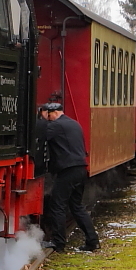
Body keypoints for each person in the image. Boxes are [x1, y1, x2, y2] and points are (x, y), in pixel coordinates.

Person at [39, 101, 98, 252]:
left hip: (68, 171)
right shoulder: (74, 124)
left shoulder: (56, 125)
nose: (48, 119)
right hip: (81, 169)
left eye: (47, 115)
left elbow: (40, 135)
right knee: (76, 206)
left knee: (57, 205)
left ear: (53, 113)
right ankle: (92, 241)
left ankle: (58, 243)